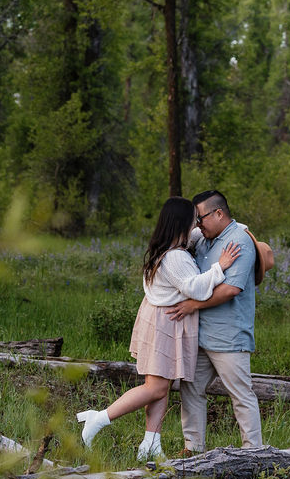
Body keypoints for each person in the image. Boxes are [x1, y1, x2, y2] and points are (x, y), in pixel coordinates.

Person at [75, 197, 240, 462]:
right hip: (166, 323)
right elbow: (196, 288)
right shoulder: (175, 257)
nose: (197, 225)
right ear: (181, 224)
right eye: (193, 220)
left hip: (163, 320)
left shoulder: (170, 247)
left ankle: (151, 443)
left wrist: (235, 227)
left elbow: (198, 234)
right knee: (155, 388)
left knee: (161, 386)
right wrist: (220, 266)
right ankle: (99, 419)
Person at [167, 190, 263, 453]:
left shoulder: (238, 241)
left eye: (201, 218)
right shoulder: (204, 239)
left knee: (241, 395)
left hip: (229, 336)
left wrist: (193, 305)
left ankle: (253, 452)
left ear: (218, 213)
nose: (198, 224)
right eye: (196, 220)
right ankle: (193, 447)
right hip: (200, 334)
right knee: (190, 388)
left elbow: (232, 288)